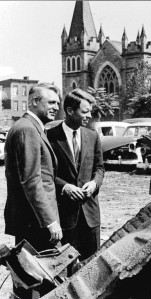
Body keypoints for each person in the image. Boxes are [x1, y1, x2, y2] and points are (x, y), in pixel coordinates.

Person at [47, 88, 104, 267]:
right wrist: (65, 187)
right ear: (70, 111)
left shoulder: (92, 136)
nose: (88, 116)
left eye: (90, 112)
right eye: (84, 111)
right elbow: (46, 174)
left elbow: (100, 168)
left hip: (91, 214)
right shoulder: (50, 137)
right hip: (65, 214)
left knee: (93, 264)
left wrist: (94, 183)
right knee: (68, 266)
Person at [4, 82, 63, 250]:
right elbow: (31, 180)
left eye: (58, 103)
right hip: (35, 222)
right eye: (51, 102)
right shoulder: (27, 129)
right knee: (40, 273)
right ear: (34, 102)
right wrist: (50, 221)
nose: (56, 107)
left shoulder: (32, 127)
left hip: (34, 219)